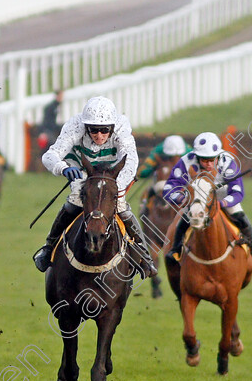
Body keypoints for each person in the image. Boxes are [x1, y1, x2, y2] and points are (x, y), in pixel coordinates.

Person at [32, 96, 158, 279]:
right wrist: (64, 168)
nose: (99, 136)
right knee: (76, 198)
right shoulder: (74, 126)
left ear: (112, 127)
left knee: (121, 205)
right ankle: (49, 247)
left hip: (112, 171)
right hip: (82, 167)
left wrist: (115, 189)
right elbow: (49, 156)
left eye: (105, 130)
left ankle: (144, 257)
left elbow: (130, 162)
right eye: (94, 130)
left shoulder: (122, 128)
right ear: (86, 126)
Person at [163, 132, 252, 263]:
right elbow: (169, 188)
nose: (209, 164)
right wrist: (182, 199)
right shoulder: (186, 161)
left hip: (223, 196)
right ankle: (176, 250)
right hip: (196, 198)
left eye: (212, 160)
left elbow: (237, 192)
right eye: (204, 160)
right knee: (184, 218)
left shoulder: (227, 161)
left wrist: (222, 203)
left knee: (239, 215)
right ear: (197, 156)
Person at [137, 134, 191, 213]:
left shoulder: (189, 152)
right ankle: (144, 208)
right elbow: (141, 172)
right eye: (170, 156)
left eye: (177, 156)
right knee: (147, 191)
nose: (173, 158)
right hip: (161, 178)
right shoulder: (157, 151)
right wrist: (151, 167)